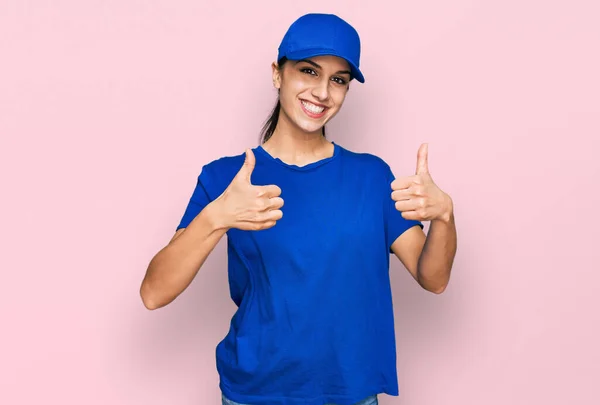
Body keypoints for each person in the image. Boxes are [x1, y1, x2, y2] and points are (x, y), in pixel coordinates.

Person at [140, 13, 457, 405]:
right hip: (253, 394)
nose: (322, 92)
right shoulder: (227, 177)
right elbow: (154, 293)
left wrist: (444, 216)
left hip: (349, 394)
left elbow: (434, 278)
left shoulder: (372, 177)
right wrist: (217, 216)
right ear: (278, 74)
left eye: (338, 79)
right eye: (309, 71)